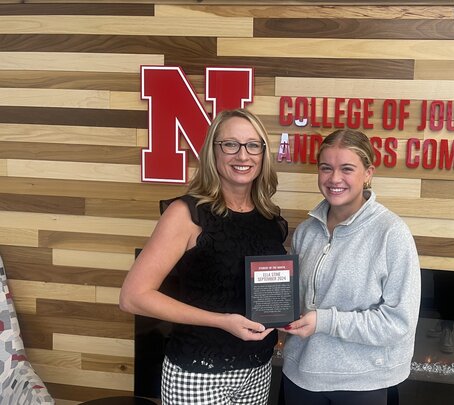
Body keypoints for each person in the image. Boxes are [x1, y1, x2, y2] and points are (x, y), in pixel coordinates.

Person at [119, 108, 287, 404]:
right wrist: (222, 321)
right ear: (213, 151)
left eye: (253, 145)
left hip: (258, 370)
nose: (243, 155)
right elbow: (133, 297)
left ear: (263, 154)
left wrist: (281, 320)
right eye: (230, 144)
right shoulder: (185, 214)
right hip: (199, 373)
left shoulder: (269, 219)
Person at [281, 129, 421, 405]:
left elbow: (398, 322)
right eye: (326, 168)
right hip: (301, 376)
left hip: (363, 384)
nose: (334, 179)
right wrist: (270, 314)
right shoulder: (306, 232)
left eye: (347, 169)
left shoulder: (391, 233)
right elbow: (293, 302)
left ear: (368, 173)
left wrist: (325, 321)